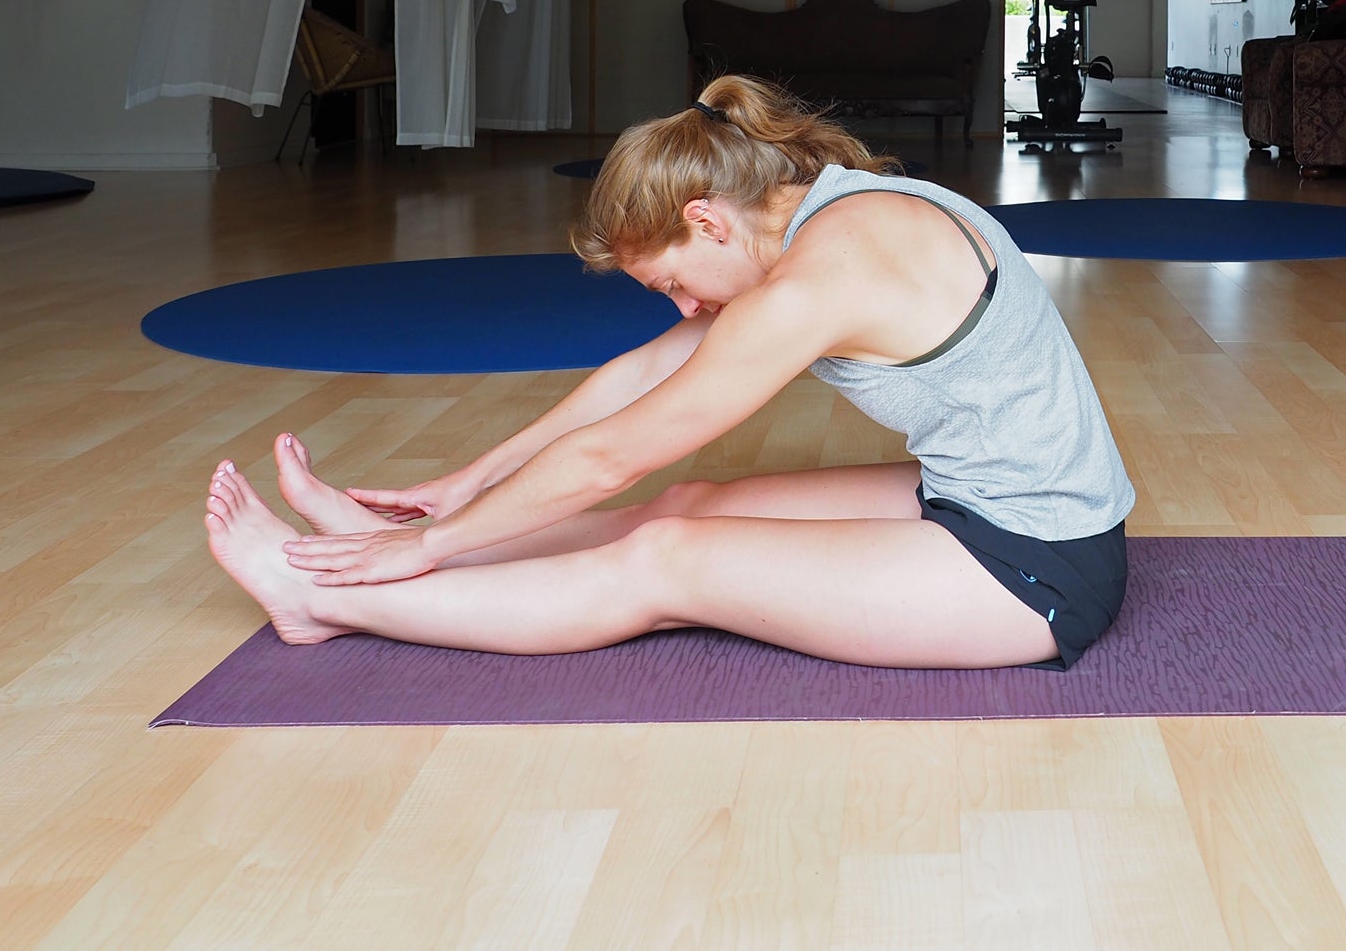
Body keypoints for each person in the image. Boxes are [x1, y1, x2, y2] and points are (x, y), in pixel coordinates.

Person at [203, 75, 1136, 670]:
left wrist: (426, 550)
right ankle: (364, 546)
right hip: (971, 498)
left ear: (707, 220)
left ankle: (322, 599)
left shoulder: (821, 279)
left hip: (1035, 568)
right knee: (684, 503)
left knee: (664, 562)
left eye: (674, 282)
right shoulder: (815, 213)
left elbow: (613, 457)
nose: (683, 308)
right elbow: (636, 377)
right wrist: (458, 491)